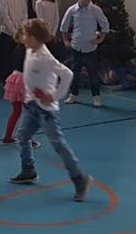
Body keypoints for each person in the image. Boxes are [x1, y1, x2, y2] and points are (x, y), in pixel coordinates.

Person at [9, 18, 91, 202]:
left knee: (58, 144)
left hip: (45, 110)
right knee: (22, 137)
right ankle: (28, 169)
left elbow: (67, 74)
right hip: (31, 106)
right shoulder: (30, 49)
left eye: (26, 35)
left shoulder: (45, 58)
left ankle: (80, 179)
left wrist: (54, 95)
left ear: (34, 38)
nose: (23, 38)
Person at [60, 0, 109, 108]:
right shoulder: (72, 10)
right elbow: (64, 27)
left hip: (90, 47)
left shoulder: (95, 10)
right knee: (74, 72)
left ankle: (96, 96)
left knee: (93, 73)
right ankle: (74, 94)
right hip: (76, 46)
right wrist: (66, 41)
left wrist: (100, 39)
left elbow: (105, 25)